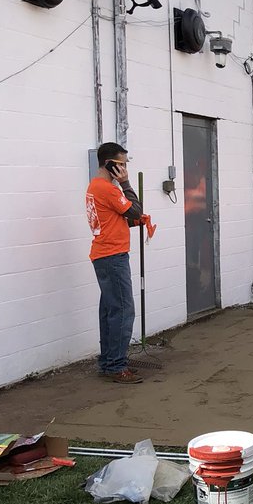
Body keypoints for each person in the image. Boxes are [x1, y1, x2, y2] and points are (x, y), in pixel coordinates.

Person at [86, 142, 144, 384]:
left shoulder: (96, 186)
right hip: (113, 255)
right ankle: (116, 366)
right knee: (122, 310)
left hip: (104, 254)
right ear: (109, 163)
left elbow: (119, 217)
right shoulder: (108, 189)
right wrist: (127, 183)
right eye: (120, 164)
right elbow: (136, 210)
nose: (123, 169)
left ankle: (109, 361)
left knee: (110, 310)